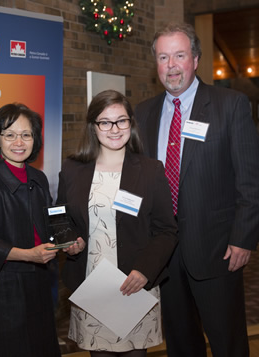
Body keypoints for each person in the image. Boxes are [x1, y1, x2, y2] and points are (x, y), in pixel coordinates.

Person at [134, 22, 259, 357]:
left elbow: (251, 180)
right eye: (163, 57)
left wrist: (243, 238)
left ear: (195, 59)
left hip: (218, 249)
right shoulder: (143, 113)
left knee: (227, 341)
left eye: (179, 55)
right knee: (180, 342)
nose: (171, 65)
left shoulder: (229, 106)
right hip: (164, 252)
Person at [57, 90, 178, 357]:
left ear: (130, 124)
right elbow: (64, 219)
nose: (114, 129)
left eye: (121, 121)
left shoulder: (150, 170)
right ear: (93, 126)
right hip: (92, 288)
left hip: (134, 287)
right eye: (105, 122)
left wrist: (145, 271)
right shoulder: (72, 169)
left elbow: (166, 231)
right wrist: (70, 242)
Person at [0, 103, 64, 357]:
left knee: (42, 346)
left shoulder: (37, 178)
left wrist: (67, 240)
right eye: (10, 135)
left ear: (35, 140)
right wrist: (28, 254)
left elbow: (50, 220)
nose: (19, 142)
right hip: (2, 288)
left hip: (39, 281)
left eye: (26, 134)